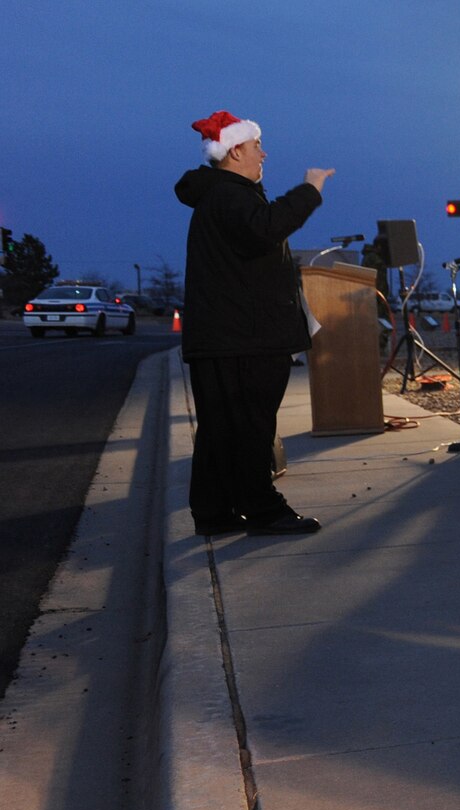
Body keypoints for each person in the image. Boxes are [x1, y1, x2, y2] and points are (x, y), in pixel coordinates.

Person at [175, 110, 330, 537]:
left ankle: (214, 512)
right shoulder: (231, 196)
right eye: (257, 145)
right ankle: (264, 510)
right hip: (244, 338)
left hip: (225, 338)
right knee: (250, 426)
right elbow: (266, 229)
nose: (264, 152)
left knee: (222, 429)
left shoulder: (220, 196)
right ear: (236, 150)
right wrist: (309, 190)